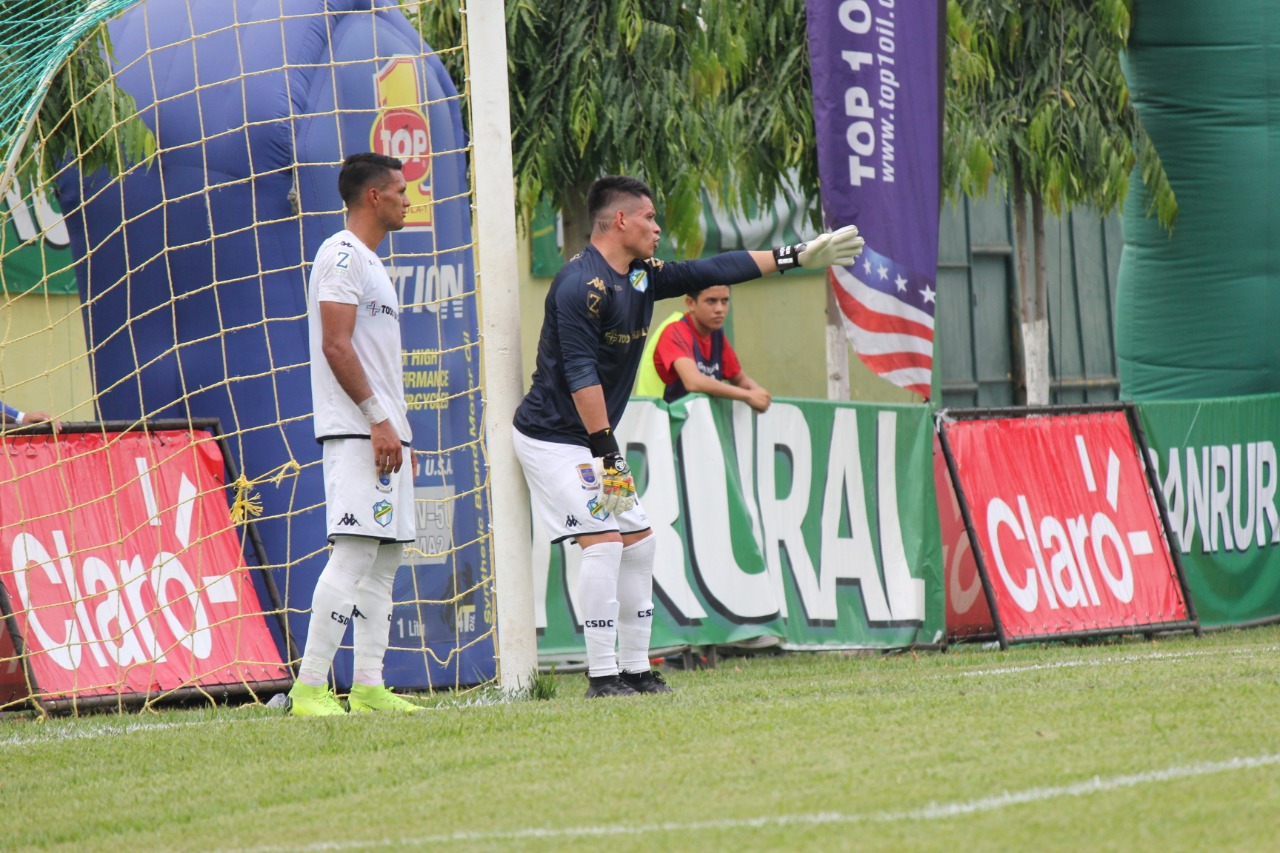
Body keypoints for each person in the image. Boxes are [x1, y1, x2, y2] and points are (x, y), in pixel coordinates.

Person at [512, 175, 863, 698]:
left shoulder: (640, 276)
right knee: (606, 543)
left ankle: (634, 670)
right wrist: (608, 453)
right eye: (650, 217)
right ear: (621, 221)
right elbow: (581, 376)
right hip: (554, 440)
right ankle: (602, 677)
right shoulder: (576, 286)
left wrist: (793, 256)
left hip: (590, 441)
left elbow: (711, 270)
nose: (658, 227)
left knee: (641, 543)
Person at [286, 152, 422, 716]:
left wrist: (401, 433)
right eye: (400, 190)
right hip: (356, 432)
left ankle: (368, 687)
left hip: (384, 434)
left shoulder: (372, 262)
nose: (407, 199)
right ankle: (309, 688)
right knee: (353, 554)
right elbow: (335, 345)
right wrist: (376, 419)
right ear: (373, 197)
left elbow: (374, 357)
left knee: (384, 560)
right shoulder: (340, 254)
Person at [653, 284, 771, 413]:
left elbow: (740, 379)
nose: (720, 309)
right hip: (672, 426)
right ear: (690, 303)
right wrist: (747, 396)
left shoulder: (716, 334)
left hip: (705, 427)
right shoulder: (675, 332)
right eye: (711, 301)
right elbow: (693, 382)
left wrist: (758, 393)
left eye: (725, 301)